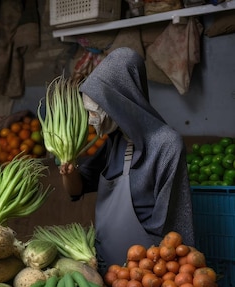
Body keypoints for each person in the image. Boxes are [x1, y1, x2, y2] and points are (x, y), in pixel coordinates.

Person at [58, 47, 195, 273]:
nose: (92, 120)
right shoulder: (114, 142)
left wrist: (144, 276)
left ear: (120, 100)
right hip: (105, 269)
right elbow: (77, 189)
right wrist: (69, 172)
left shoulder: (167, 144)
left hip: (147, 274)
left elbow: (173, 226)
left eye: (96, 111)